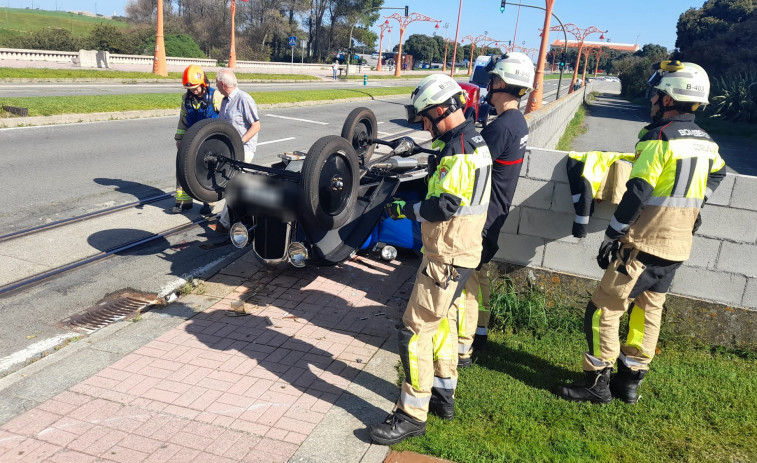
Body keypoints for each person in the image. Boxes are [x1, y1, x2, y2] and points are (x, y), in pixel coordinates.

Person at [554, 61, 726, 404]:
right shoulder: (706, 142)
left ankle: (597, 382)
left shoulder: (658, 138)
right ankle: (629, 382)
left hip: (643, 244)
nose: (652, 99)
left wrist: (613, 233)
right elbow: (718, 175)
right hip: (678, 246)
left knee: (604, 308)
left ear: (669, 99)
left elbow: (639, 191)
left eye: (657, 94)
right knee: (648, 310)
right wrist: (695, 204)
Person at [368, 74, 492, 445]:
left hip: (447, 255)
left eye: (425, 118)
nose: (424, 126)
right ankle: (443, 393)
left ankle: (411, 413)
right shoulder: (472, 141)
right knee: (441, 324)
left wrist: (406, 208)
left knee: (414, 329)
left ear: (441, 110)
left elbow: (446, 204)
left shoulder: (458, 150)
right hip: (462, 253)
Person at [454, 52, 534, 367]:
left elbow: (470, 164)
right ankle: (481, 331)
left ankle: (462, 348)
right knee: (480, 274)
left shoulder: (503, 126)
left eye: (492, 78)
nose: (489, 83)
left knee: (467, 285)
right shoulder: (516, 121)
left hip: (483, 217)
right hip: (497, 211)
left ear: (502, 82)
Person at [210, 68, 261, 234]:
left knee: (233, 183)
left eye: (216, 82)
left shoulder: (243, 99)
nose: (215, 84)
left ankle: (224, 223)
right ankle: (240, 215)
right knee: (228, 182)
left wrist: (240, 142)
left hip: (243, 149)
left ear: (223, 84)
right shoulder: (225, 101)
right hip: (228, 150)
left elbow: (256, 125)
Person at [172, 65, 222, 215]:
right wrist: (179, 138)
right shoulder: (186, 99)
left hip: (209, 141)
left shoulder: (215, 96)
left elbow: (225, 119)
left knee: (207, 170)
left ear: (203, 83)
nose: (193, 90)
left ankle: (209, 202)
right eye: (190, 88)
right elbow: (183, 120)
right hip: (191, 139)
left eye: (195, 87)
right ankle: (183, 201)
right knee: (182, 169)